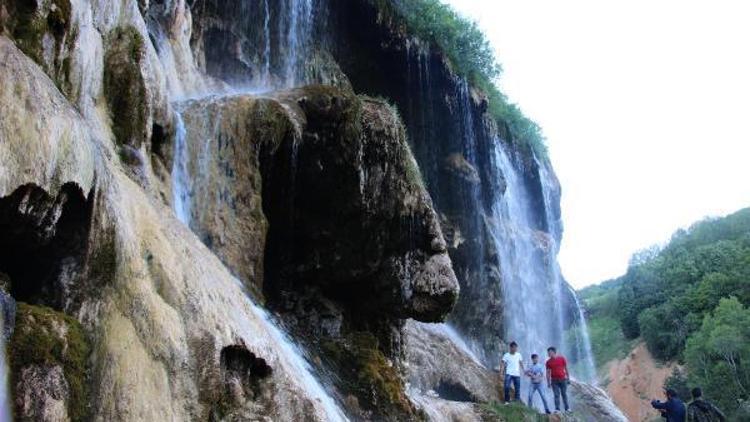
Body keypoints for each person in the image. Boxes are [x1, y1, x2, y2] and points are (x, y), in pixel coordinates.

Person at [545, 346, 571, 413]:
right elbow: (547, 373)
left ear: (554, 352)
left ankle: (567, 408)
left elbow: (566, 368)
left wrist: (568, 378)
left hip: (563, 379)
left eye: (549, 352)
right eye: (548, 353)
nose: (548, 354)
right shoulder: (548, 362)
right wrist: (548, 382)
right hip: (554, 380)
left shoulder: (562, 358)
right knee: (556, 395)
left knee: (564, 394)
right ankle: (557, 409)